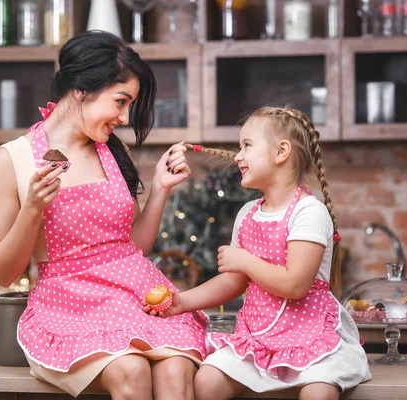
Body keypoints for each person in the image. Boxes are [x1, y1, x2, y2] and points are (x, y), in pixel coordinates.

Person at [0, 30, 207, 399]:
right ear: (82, 89)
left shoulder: (114, 153)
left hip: (134, 298)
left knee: (177, 367)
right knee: (131, 370)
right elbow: (4, 273)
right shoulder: (12, 161)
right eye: (120, 101)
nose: (123, 116)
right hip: (68, 306)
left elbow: (132, 247)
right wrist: (33, 209)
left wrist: (161, 188)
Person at [144, 106, 371, 400]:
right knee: (206, 383)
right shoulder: (248, 213)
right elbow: (232, 283)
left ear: (281, 152)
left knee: (318, 392)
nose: (238, 156)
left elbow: (296, 284)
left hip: (310, 337)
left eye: (247, 146)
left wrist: (246, 262)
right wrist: (181, 301)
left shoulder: (309, 213)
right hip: (258, 339)